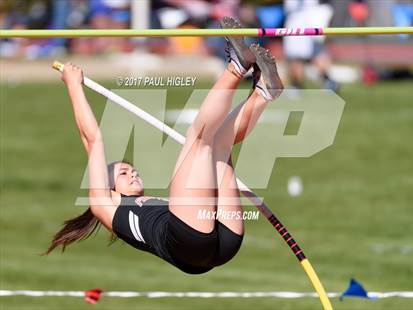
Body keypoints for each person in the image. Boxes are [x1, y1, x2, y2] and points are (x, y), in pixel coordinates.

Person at [44, 17, 283, 274]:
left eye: (131, 169)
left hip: (219, 243)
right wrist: (73, 87)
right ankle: (236, 68)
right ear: (110, 188)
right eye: (123, 173)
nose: (133, 172)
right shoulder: (104, 204)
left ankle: (262, 94)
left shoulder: (149, 202)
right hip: (191, 241)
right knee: (198, 139)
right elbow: (92, 139)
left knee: (219, 145)